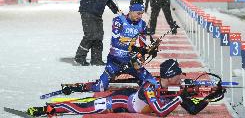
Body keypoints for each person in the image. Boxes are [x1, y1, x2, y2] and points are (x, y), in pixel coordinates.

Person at [27, 59, 224, 117]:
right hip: (121, 100)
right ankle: (47, 109)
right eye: (179, 74)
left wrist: (211, 94)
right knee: (85, 106)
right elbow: (161, 112)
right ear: (171, 76)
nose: (183, 77)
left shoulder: (176, 86)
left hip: (132, 97)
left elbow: (193, 104)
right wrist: (180, 98)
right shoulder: (150, 88)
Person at [78, 0, 156, 92]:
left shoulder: (142, 24)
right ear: (131, 10)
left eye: (141, 13)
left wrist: (149, 51)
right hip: (115, 61)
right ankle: (85, 86)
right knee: (100, 88)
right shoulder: (119, 21)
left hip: (131, 62)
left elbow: (143, 44)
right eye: (138, 13)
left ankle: (141, 82)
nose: (140, 16)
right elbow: (115, 42)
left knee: (153, 84)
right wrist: (135, 49)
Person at [74, 0, 120, 66]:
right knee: (90, 35)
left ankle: (96, 59)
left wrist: (116, 10)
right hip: (88, 10)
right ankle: (79, 58)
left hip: (97, 12)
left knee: (98, 36)